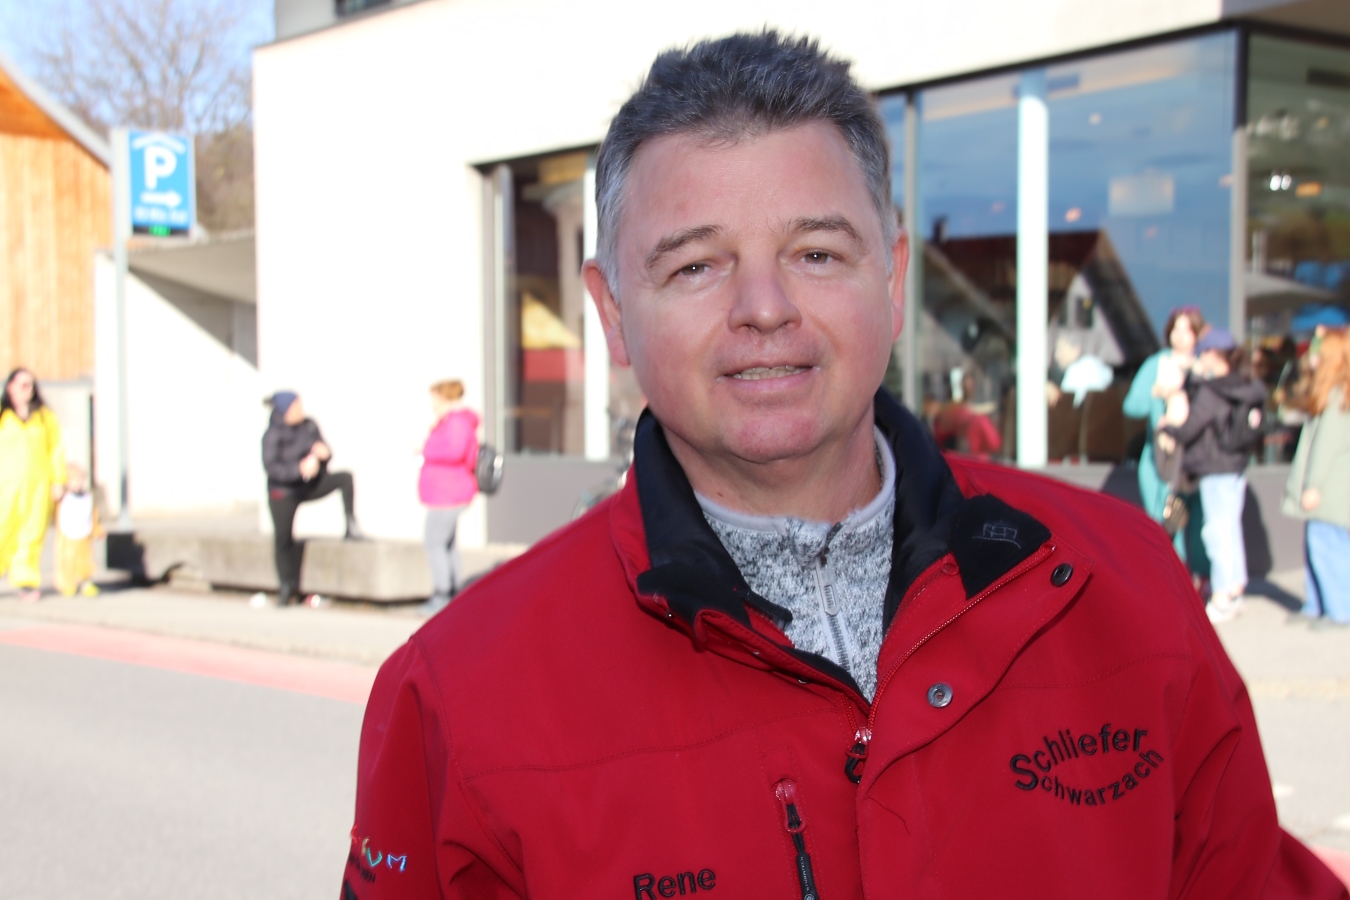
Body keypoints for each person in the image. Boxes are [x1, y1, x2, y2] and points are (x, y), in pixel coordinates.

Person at [344, 33, 1345, 899]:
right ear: (612, 313)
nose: (764, 307)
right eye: (695, 266)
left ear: (894, 277)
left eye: (817, 253)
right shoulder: (457, 695)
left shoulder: (1122, 582)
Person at [1161, 328, 1267, 624]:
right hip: (1236, 466)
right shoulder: (1247, 386)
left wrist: (1166, 426)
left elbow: (1189, 429)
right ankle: (1235, 588)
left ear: (1212, 354)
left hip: (1213, 467)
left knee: (1216, 532)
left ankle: (1221, 596)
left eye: (1202, 352)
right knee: (1230, 528)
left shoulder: (1211, 391)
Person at [1123, 307, 1210, 578]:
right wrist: (1156, 393)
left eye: (1187, 330)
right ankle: (1171, 584)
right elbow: (1131, 406)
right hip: (1159, 462)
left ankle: (1196, 584)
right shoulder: (1156, 365)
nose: (1181, 335)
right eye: (1176, 329)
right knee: (1164, 526)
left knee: (1197, 527)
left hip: (1195, 462)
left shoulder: (1205, 365)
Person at [262, 391, 365, 606]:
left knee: (345, 479)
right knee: (283, 539)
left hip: (309, 485)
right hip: (284, 492)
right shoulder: (272, 435)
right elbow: (272, 468)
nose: (301, 411)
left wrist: (324, 455)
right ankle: (286, 587)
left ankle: (351, 526)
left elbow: (323, 452)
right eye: (296, 407)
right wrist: (298, 469)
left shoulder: (309, 426)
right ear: (285, 411)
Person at [1282, 327, 1350, 627]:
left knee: (1328, 549)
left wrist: (1313, 486)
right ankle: (1316, 605)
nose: (1312, 358)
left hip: (1328, 491)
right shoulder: (1330, 395)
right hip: (1327, 490)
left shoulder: (1337, 397)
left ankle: (1339, 611)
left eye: (1318, 353)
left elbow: (1325, 448)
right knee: (1316, 548)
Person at [0, 368, 65, 603]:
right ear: (11, 387)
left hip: (38, 486)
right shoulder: (3, 415)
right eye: (23, 384)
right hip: (5, 485)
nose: (28, 389)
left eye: (31, 385)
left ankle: (25, 580)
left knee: (32, 533)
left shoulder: (44, 416)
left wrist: (59, 480)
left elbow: (56, 449)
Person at [418, 379, 479, 615]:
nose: (431, 403)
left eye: (434, 398)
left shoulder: (456, 422)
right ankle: (452, 592)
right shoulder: (449, 422)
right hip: (445, 492)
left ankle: (443, 594)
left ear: (443, 398)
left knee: (434, 543)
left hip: (448, 494)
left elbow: (454, 451)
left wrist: (425, 448)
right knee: (447, 544)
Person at [54, 461, 102, 597]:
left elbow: (93, 515)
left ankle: (86, 582)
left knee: (85, 560)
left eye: (80, 480)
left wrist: (96, 529)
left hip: (83, 536)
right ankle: (68, 584)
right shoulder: (62, 499)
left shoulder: (87, 498)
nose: (78, 483)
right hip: (67, 537)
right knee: (67, 560)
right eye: (73, 480)